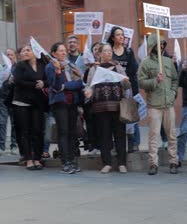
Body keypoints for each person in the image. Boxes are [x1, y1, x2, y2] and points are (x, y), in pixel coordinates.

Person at [85, 44, 130, 174]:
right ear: (100, 54)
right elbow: (89, 86)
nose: (108, 53)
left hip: (117, 107)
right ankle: (107, 163)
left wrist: (126, 81)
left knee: (120, 135)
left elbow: (126, 86)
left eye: (110, 51)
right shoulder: (94, 69)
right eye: (105, 51)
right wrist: (88, 92)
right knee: (104, 136)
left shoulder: (117, 66)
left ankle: (122, 163)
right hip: (100, 108)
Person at [138, 34, 179, 175]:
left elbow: (175, 79)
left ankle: (173, 162)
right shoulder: (146, 63)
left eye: (163, 44)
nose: (161, 47)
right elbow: (141, 82)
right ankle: (153, 163)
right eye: (159, 44)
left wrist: (173, 92)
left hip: (168, 104)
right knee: (153, 135)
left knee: (172, 135)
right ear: (152, 46)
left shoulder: (168, 62)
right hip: (154, 105)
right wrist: (155, 80)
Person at [45, 42, 84, 174]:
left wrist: (66, 86)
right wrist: (58, 72)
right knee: (64, 131)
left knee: (73, 132)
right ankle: (65, 162)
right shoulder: (50, 66)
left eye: (64, 50)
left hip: (72, 102)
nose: (63, 53)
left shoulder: (71, 65)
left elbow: (79, 84)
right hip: (60, 103)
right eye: (60, 51)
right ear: (54, 54)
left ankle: (72, 160)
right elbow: (56, 87)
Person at [12, 45, 48, 170]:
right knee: (25, 131)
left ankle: (37, 158)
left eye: (28, 50)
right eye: (24, 50)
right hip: (22, 102)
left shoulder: (42, 64)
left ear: (34, 52)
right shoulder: (20, 66)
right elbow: (18, 81)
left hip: (38, 103)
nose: (26, 52)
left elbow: (48, 79)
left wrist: (44, 83)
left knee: (38, 130)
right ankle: (28, 159)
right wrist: (35, 84)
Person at [108, 26, 140, 152]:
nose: (121, 37)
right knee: (117, 116)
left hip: (128, 88)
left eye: (122, 34)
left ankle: (133, 143)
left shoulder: (128, 51)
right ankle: (117, 144)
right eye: (118, 35)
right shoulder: (110, 52)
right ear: (112, 37)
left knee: (130, 113)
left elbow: (133, 69)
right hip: (114, 89)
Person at [0, 49, 18, 155]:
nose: (9, 56)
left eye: (11, 54)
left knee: (14, 123)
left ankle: (14, 146)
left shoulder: (18, 67)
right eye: (7, 55)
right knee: (2, 123)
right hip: (2, 98)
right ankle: (1, 146)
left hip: (14, 98)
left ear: (15, 56)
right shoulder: (2, 69)